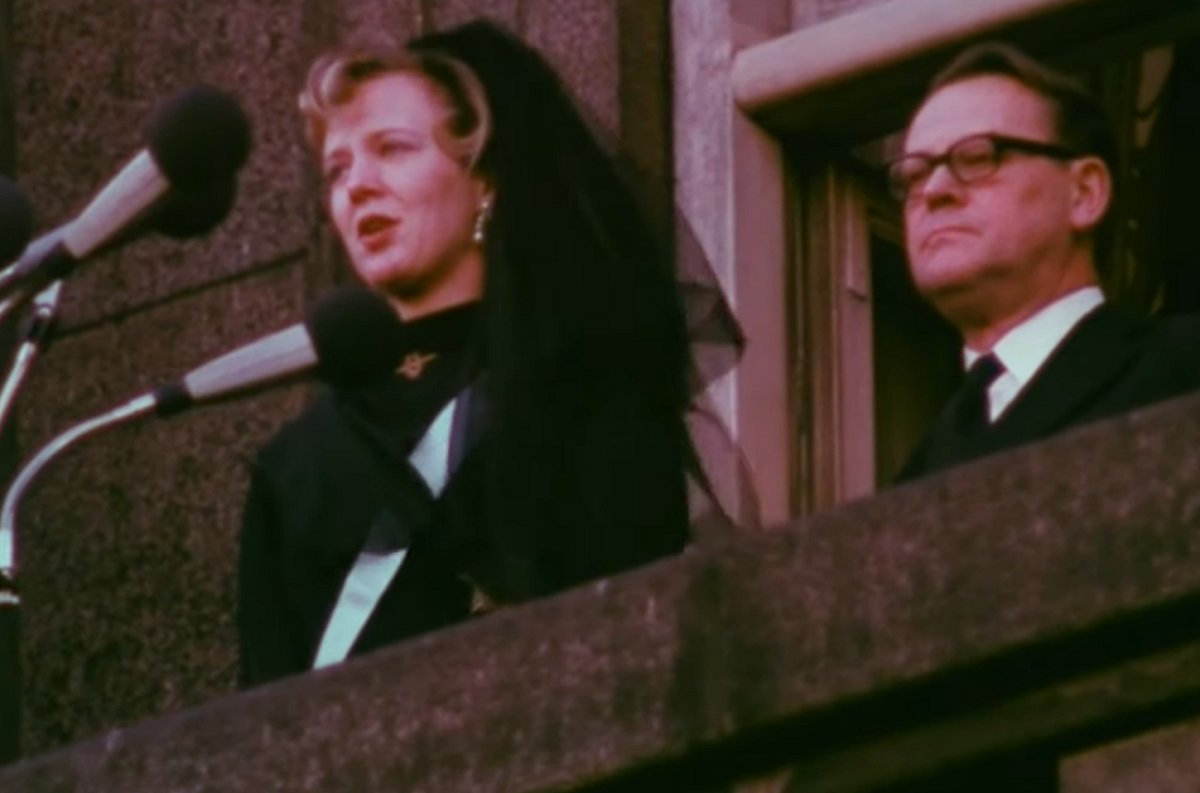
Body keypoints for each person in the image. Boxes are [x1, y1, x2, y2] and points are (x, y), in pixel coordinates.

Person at [236, 20, 744, 686]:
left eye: (392, 148)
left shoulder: (587, 392)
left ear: (486, 180)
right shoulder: (293, 466)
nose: (357, 183)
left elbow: (631, 654)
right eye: (338, 168)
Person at [891, 42, 1200, 483]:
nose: (934, 189)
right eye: (913, 174)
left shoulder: (1185, 369)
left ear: (1085, 193)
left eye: (979, 156)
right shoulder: (915, 473)